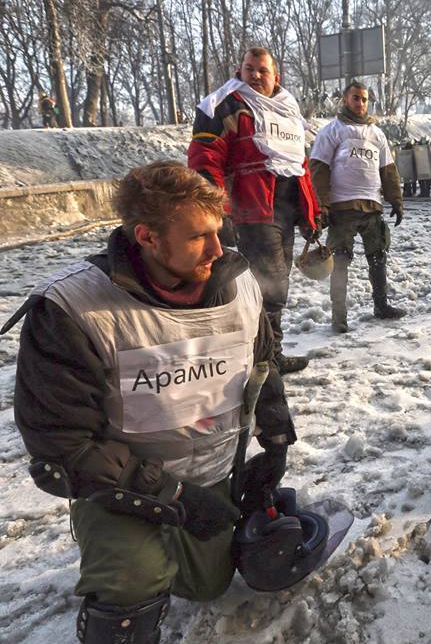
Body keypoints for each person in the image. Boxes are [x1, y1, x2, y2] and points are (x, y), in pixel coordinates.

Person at [1, 162, 296, 642]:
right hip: (121, 485)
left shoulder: (239, 283)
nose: (220, 250)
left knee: (208, 584)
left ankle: (174, 549)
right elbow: (63, 445)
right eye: (199, 237)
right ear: (148, 237)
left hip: (212, 471)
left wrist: (276, 441)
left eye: (219, 232)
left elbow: (262, 366)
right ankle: (122, 568)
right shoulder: (72, 309)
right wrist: (174, 496)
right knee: (132, 580)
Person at [188, 46, 318, 375]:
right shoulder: (225, 104)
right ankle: (265, 359)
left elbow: (299, 165)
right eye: (249, 69)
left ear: (277, 76)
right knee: (269, 286)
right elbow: (206, 160)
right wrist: (217, 211)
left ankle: (269, 351)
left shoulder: (288, 110)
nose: (256, 75)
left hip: (285, 209)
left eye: (262, 70)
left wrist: (311, 212)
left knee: (276, 283)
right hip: (252, 209)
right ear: (240, 70)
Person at [309, 80, 405, 334]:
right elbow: (318, 169)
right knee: (340, 261)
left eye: (364, 99)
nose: (360, 103)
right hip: (342, 207)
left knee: (378, 257)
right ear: (345, 99)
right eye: (355, 98)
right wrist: (323, 205)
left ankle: (381, 306)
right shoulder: (333, 130)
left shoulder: (377, 134)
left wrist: (396, 200)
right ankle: (338, 317)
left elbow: (388, 170)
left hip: (372, 206)